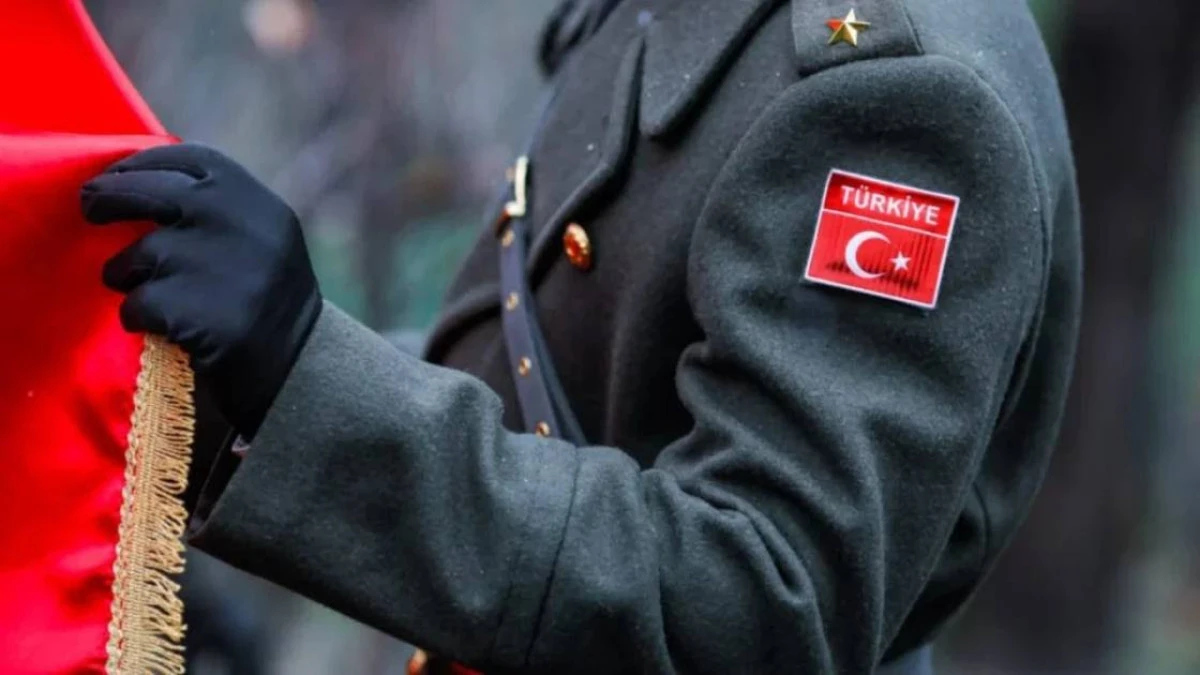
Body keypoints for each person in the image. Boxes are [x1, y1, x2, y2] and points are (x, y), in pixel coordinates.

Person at [78, 0, 1080, 672]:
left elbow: (760, 602)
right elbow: (553, 377)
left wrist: (302, 372)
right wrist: (233, 387)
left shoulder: (896, 91)